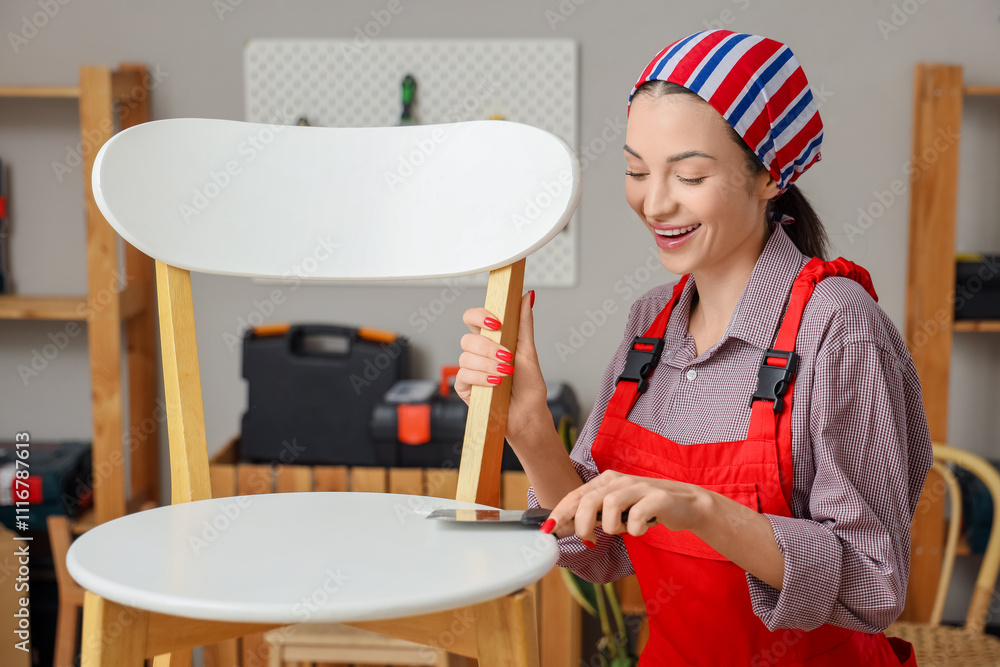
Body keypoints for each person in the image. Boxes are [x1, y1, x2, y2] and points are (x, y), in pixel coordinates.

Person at [454, 29, 932, 666]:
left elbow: (875, 584)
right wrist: (529, 426)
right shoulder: (651, 323)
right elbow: (600, 551)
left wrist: (706, 511)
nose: (654, 202)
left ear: (769, 175)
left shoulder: (839, 330)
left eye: (690, 174)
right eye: (635, 170)